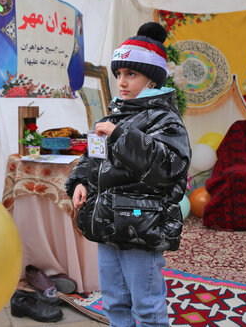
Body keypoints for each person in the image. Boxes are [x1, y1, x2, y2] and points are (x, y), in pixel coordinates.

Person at [65, 23, 191, 326]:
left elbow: (168, 168)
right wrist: (80, 181)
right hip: (109, 224)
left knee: (146, 305)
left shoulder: (166, 120)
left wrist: (120, 135)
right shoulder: (113, 115)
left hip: (141, 227)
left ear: (153, 78)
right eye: (119, 73)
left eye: (131, 74)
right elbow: (92, 159)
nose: (121, 81)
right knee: (115, 302)